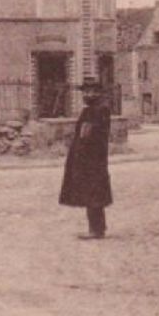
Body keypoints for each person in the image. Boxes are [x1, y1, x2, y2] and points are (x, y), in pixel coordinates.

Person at [59, 77, 113, 239]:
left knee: (93, 192)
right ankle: (97, 228)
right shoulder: (92, 109)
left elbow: (87, 135)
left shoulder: (97, 110)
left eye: (91, 91)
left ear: (98, 92)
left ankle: (96, 230)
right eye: (85, 91)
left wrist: (81, 152)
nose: (87, 94)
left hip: (92, 158)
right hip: (90, 157)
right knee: (92, 192)